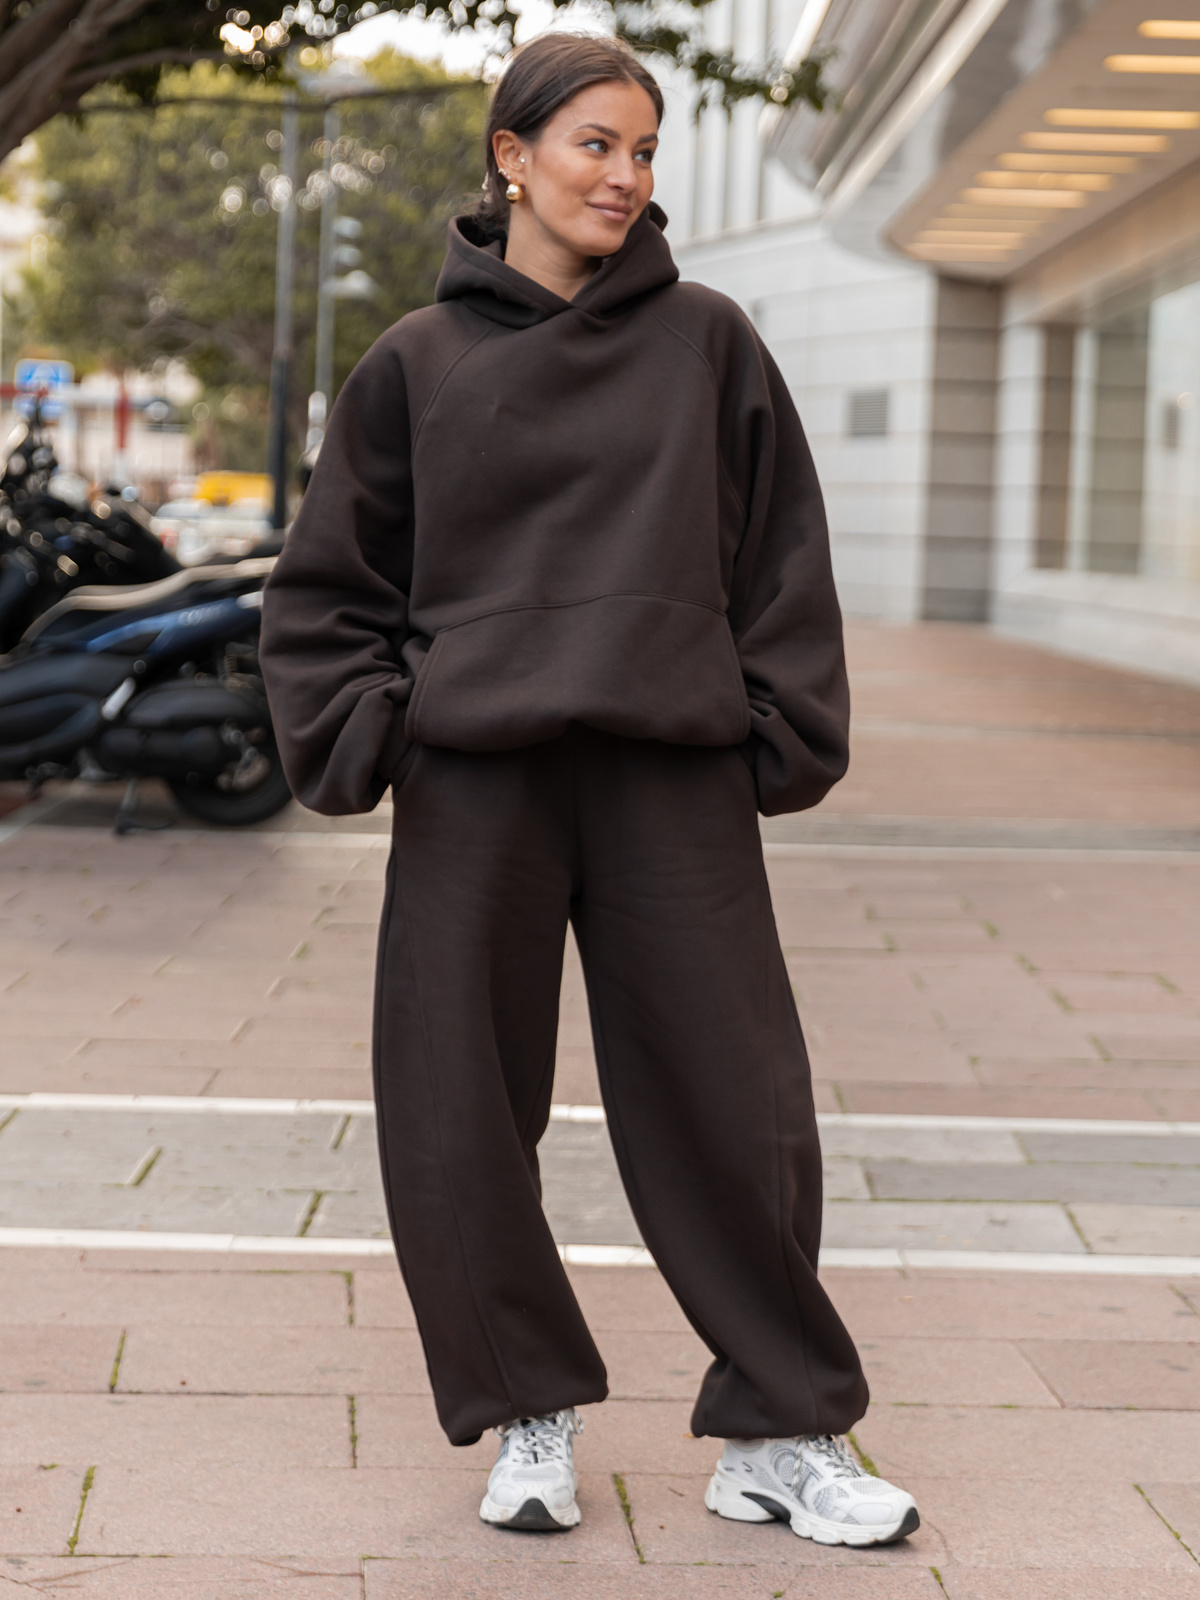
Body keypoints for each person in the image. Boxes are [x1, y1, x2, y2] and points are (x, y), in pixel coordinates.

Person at [259, 31, 919, 1548]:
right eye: (594, 145)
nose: (625, 177)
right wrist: (387, 727)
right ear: (513, 155)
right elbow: (330, 585)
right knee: (457, 1105)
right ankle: (527, 1411)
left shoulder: (709, 342)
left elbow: (782, 556)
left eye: (643, 151)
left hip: (668, 778)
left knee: (739, 1104)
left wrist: (773, 727)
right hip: (477, 784)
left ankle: (782, 1428)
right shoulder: (415, 363)